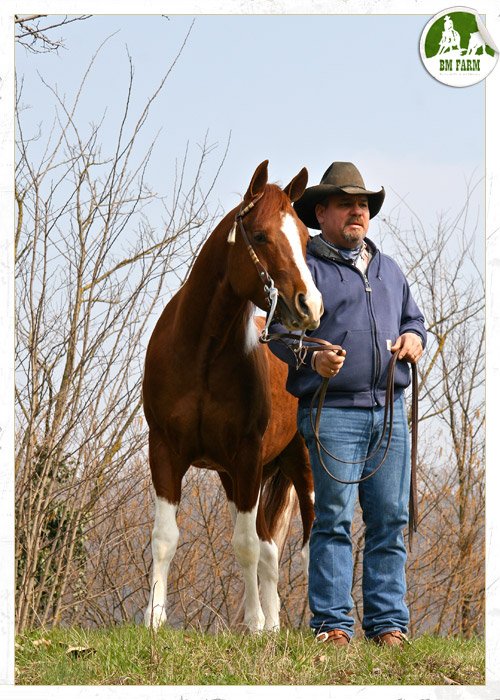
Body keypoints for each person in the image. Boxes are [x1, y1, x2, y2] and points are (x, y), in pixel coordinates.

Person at [268, 162, 426, 647]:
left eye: (363, 205)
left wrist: (414, 339)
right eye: (345, 204)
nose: (357, 212)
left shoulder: (388, 268)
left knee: (390, 521)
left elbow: (414, 321)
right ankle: (332, 626)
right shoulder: (306, 268)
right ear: (321, 213)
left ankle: (388, 625)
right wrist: (313, 358)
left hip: (390, 413)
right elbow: (277, 334)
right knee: (333, 520)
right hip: (331, 412)